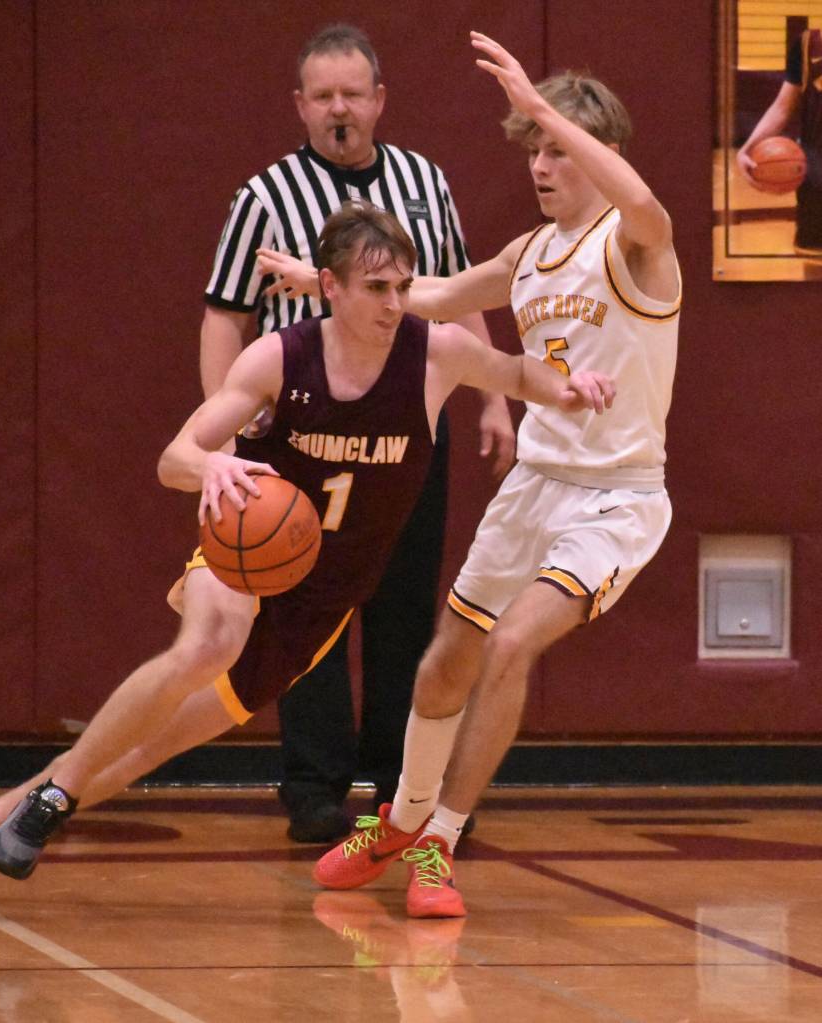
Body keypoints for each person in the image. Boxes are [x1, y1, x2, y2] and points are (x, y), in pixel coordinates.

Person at [0, 201, 613, 902]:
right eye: (376, 288)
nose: (394, 303)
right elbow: (174, 457)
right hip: (246, 550)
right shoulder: (279, 357)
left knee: (157, 742)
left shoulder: (433, 354)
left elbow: (518, 375)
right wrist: (210, 466)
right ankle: (56, 796)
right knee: (209, 643)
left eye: (402, 286)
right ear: (329, 286)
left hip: (322, 596)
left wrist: (566, 388)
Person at [279, 32, 680, 918]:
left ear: (593, 154)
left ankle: (438, 842)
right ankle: (398, 818)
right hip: (534, 483)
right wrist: (320, 280)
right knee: (442, 663)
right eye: (531, 148)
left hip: (613, 498)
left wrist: (547, 107)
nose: (538, 163)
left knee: (509, 644)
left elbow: (645, 200)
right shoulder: (528, 255)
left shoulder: (638, 245)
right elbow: (428, 296)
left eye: (552, 148)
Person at [202, 22, 514, 844]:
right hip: (302, 431)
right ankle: (311, 786)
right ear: (300, 105)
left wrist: (491, 399)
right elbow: (224, 316)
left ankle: (399, 786)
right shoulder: (263, 196)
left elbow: (455, 291)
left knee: (405, 609)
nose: (339, 109)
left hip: (405, 431)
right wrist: (228, 432)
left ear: (379, 100)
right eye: (323, 96)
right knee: (302, 600)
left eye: (353, 94)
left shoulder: (423, 181)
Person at [736, 27, 822, 255]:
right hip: (817, 185)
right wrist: (747, 149)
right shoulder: (806, 45)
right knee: (812, 265)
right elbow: (782, 108)